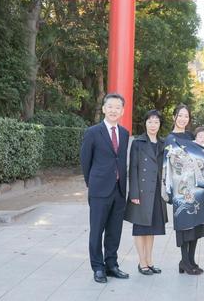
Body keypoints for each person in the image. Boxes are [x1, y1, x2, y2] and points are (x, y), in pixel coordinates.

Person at [80, 93, 130, 283]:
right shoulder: (93, 132)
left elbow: (121, 160)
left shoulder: (124, 133)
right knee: (97, 230)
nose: (114, 110)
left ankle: (112, 265)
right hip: (99, 190)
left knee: (114, 231)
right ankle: (98, 267)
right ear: (104, 109)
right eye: (110, 106)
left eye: (118, 107)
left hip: (118, 189)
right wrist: (92, 183)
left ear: (122, 111)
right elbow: (85, 161)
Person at [163, 104, 204, 275]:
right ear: (174, 117)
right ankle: (184, 261)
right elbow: (170, 164)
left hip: (198, 188)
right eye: (180, 115)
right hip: (182, 190)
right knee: (185, 226)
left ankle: (191, 260)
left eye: (186, 116)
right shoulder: (170, 139)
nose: (183, 119)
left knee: (196, 227)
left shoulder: (191, 136)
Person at [124, 110, 168, 276]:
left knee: (152, 229)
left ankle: (150, 261)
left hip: (157, 191)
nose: (153, 125)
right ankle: (141, 262)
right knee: (140, 228)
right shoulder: (138, 142)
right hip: (141, 192)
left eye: (156, 122)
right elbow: (133, 168)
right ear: (145, 123)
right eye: (150, 121)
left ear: (160, 125)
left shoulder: (163, 143)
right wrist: (134, 193)